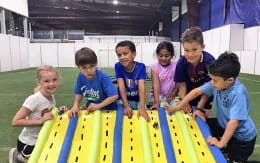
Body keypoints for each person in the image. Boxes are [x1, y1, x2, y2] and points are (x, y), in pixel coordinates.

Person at [167, 52, 257, 163]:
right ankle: (225, 148)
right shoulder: (218, 83)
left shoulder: (238, 93)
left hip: (242, 138)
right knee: (204, 125)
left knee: (235, 160)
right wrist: (178, 107)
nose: (212, 84)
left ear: (230, 80)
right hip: (224, 124)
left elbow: (234, 123)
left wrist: (221, 143)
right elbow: (196, 92)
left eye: (215, 80)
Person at [9, 65, 67, 163]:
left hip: (43, 138)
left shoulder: (50, 96)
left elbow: (48, 113)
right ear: (39, 82)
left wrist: (59, 111)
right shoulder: (34, 99)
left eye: (54, 79)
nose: (52, 84)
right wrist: (40, 121)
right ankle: (17, 156)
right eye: (46, 81)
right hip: (28, 142)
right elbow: (15, 121)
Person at [174, 27, 215, 116]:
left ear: (202, 47)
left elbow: (209, 88)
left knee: (202, 117)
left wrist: (199, 108)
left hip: (206, 94)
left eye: (194, 50)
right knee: (187, 115)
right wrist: (185, 101)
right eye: (186, 50)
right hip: (189, 93)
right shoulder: (181, 63)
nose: (190, 54)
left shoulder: (210, 62)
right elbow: (182, 86)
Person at [69, 47, 118, 117]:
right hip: (92, 108)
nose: (89, 71)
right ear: (78, 67)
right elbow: (79, 93)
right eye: (84, 67)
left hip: (108, 109)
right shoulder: (80, 76)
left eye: (91, 66)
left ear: (96, 64)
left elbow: (114, 96)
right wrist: (75, 105)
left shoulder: (102, 76)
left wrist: (98, 106)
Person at [115, 40, 150, 121]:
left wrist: (141, 107)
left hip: (137, 100)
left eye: (125, 54)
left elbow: (141, 87)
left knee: (143, 114)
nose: (122, 57)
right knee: (120, 111)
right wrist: (126, 105)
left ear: (134, 54)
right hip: (123, 100)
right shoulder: (118, 66)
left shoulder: (141, 67)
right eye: (119, 55)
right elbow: (121, 87)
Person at [149, 41, 178, 110]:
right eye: (161, 56)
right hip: (157, 96)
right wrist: (156, 102)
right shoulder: (154, 67)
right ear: (157, 55)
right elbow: (155, 85)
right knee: (163, 107)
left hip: (171, 96)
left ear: (172, 55)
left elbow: (178, 83)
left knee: (177, 106)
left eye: (167, 56)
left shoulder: (176, 65)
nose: (163, 58)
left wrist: (173, 95)